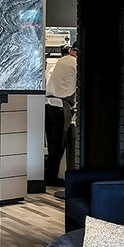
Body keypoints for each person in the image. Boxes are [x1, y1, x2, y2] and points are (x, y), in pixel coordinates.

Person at [44, 42, 78, 187]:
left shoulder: (61, 61)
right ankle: (51, 177)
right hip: (60, 107)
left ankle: (48, 175)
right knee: (58, 145)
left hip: (48, 105)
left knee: (52, 145)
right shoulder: (76, 64)